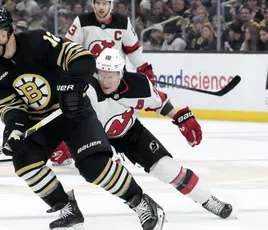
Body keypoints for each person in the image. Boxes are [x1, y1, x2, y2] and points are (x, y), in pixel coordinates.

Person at [0, 8, 165, 230]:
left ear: (4, 34)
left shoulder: (37, 41)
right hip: (41, 121)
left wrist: (72, 88)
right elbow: (10, 104)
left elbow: (82, 58)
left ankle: (142, 202)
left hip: (73, 112)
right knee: (24, 161)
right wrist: (14, 130)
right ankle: (67, 208)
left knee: (93, 166)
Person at [87, 47, 233, 219]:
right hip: (95, 135)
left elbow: (160, 104)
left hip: (131, 133)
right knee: (115, 178)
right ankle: (144, 208)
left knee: (168, 169)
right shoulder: (86, 87)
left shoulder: (139, 84)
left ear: (121, 73)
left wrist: (180, 117)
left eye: (110, 76)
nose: (105, 80)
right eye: (102, 74)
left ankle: (208, 200)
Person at [51, 0, 156, 166]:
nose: (101, 7)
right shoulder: (82, 21)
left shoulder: (122, 23)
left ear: (111, 5)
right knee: (82, 114)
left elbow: (133, 51)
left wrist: (145, 69)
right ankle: (70, 145)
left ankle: (122, 148)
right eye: (98, 3)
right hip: (90, 80)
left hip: (115, 80)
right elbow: (68, 49)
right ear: (93, 4)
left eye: (105, 3)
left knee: (117, 117)